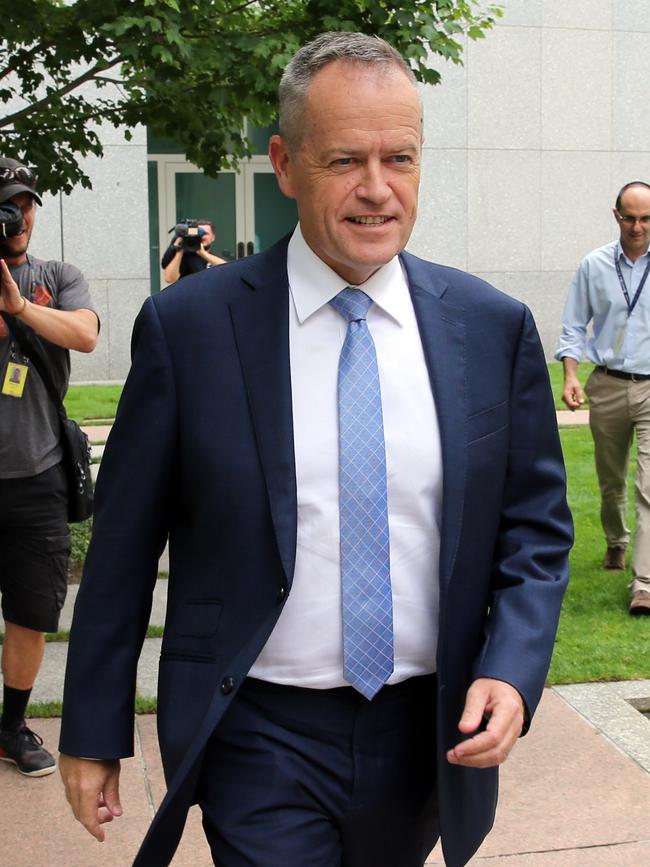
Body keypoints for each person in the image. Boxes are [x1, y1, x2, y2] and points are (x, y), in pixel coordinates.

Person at [59, 32, 572, 867]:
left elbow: (535, 530)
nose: (378, 190)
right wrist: (92, 727)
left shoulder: (491, 328)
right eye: (344, 161)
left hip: (424, 734)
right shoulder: (191, 329)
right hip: (259, 732)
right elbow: (121, 548)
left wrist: (511, 670)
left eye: (399, 158)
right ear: (285, 163)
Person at [0, 158, 98, 777]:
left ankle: (11, 726)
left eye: (26, 204)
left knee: (32, 612)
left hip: (36, 476)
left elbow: (85, 335)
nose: (19, 217)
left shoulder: (58, 275)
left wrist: (20, 308)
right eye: (7, 205)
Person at [557, 181, 650, 616]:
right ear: (615, 215)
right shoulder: (594, 266)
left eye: (646, 218)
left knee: (648, 486)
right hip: (608, 384)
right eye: (630, 217)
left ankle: (644, 582)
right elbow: (574, 325)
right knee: (611, 481)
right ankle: (616, 540)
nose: (637, 226)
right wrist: (571, 374)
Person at [161, 219, 225, 284]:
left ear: (213, 237)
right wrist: (180, 250)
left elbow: (226, 269)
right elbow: (169, 279)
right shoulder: (184, 257)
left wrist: (202, 253)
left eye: (205, 234)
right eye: (198, 233)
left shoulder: (215, 258)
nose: (201, 236)